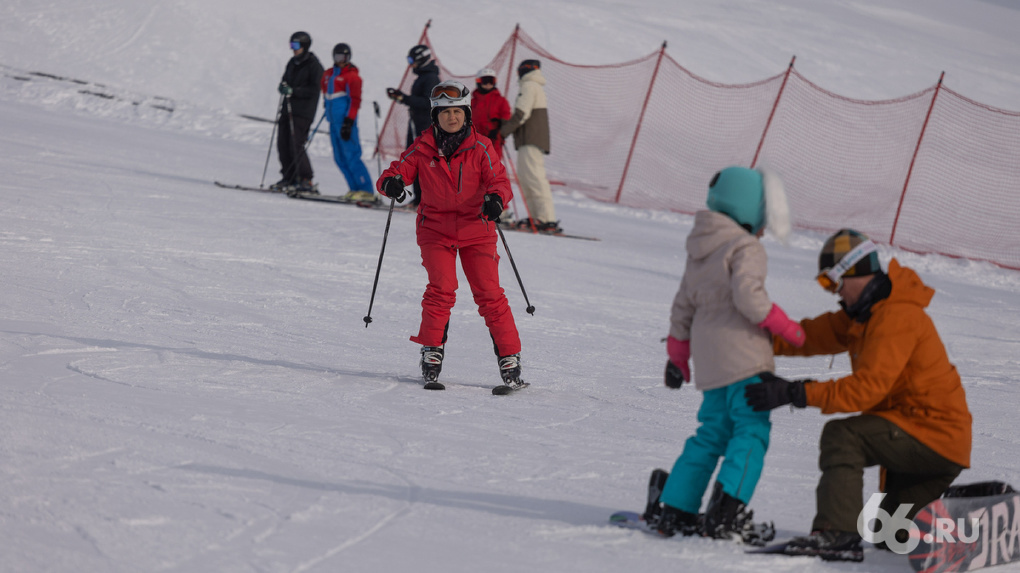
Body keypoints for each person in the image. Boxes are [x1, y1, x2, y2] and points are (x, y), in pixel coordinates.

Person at [744, 229, 972, 562]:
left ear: (853, 273)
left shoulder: (895, 316)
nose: (834, 292)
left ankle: (837, 534)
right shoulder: (862, 315)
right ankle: (970, 524)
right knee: (891, 541)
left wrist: (795, 392)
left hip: (934, 435)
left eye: (831, 282)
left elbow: (867, 390)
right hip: (922, 444)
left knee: (842, 436)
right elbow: (805, 336)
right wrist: (750, 340)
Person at [645, 167, 804, 544]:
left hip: (710, 362)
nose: (763, 229)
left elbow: (682, 307)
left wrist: (677, 357)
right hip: (745, 358)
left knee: (712, 433)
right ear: (748, 210)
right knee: (750, 432)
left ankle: (677, 508)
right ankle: (726, 514)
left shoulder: (701, 245)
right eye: (762, 218)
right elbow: (750, 299)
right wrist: (789, 328)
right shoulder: (745, 247)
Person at [376, 80, 524, 391]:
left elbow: (499, 181)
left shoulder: (482, 147)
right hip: (436, 230)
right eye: (445, 112)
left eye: (457, 111)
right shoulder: (423, 146)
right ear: (435, 117)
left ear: (467, 114)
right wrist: (391, 182)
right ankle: (432, 351)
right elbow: (397, 170)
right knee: (441, 289)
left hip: (477, 228)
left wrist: (496, 199)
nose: (451, 117)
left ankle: (509, 358)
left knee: (489, 293)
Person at [499, 59, 559, 234]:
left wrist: (503, 132)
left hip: (531, 140)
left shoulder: (529, 85)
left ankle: (546, 218)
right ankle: (537, 217)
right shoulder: (533, 85)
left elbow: (521, 114)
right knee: (527, 179)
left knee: (534, 178)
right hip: (528, 140)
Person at [385, 44, 441, 207]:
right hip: (416, 125)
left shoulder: (430, 77)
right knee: (414, 161)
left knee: (422, 163)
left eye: (412, 60)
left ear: (421, 59)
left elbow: (429, 102)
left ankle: (425, 199)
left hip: (424, 127)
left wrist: (405, 99)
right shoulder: (423, 77)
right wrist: (401, 97)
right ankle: (419, 198)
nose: (411, 64)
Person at [320, 43, 375, 202]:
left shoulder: (352, 77)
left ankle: (366, 189)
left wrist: (349, 121)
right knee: (339, 157)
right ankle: (354, 188)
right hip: (333, 122)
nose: (341, 60)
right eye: (338, 57)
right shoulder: (329, 74)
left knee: (351, 155)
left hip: (346, 123)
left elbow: (355, 101)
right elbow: (325, 92)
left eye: (344, 57)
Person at [271, 31, 324, 194]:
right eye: (291, 45)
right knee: (282, 144)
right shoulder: (292, 63)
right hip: (287, 110)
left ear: (305, 46)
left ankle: (305, 179)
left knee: (296, 145)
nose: (293, 49)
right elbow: (285, 79)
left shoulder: (314, 65)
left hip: (303, 112)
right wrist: (283, 87)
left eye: (296, 46)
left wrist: (294, 91)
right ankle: (289, 177)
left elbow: (315, 90)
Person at [470, 68, 512, 162]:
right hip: (475, 141)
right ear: (479, 81)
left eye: (491, 81)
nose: (488, 84)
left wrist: (499, 133)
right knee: (474, 167)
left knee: (492, 166)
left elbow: (507, 119)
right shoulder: (472, 102)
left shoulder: (501, 101)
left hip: (493, 141)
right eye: (485, 80)